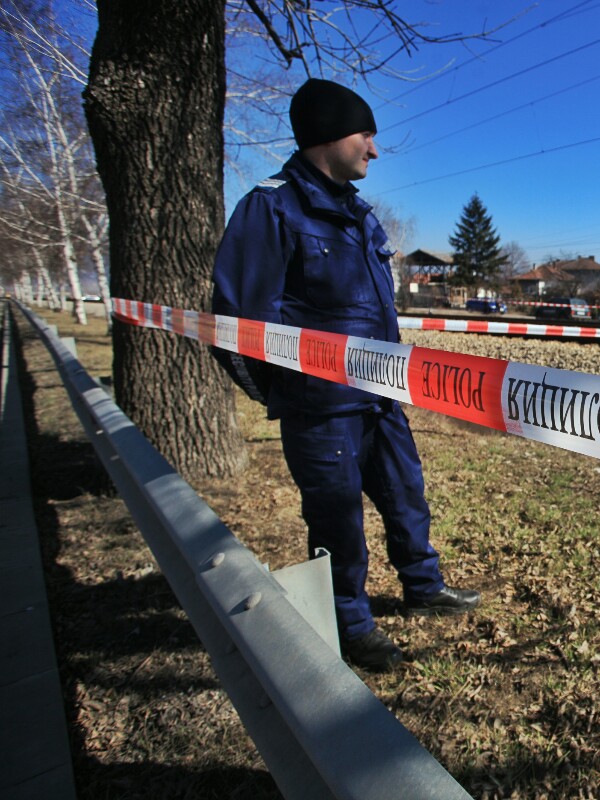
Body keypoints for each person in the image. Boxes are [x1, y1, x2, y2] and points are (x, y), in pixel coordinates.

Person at [210, 78, 479, 672]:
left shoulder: (358, 214)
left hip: (381, 398)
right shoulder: (270, 206)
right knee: (336, 520)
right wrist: (286, 393)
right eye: (367, 136)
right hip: (321, 410)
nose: (374, 151)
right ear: (330, 134)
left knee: (407, 496)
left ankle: (423, 587)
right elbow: (233, 324)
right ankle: (350, 623)